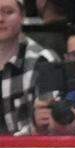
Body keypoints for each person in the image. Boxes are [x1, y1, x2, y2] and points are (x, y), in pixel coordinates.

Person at [0, 0, 60, 135]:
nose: (0, 19)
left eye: (8, 12)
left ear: (22, 16)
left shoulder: (44, 60)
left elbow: (51, 127)